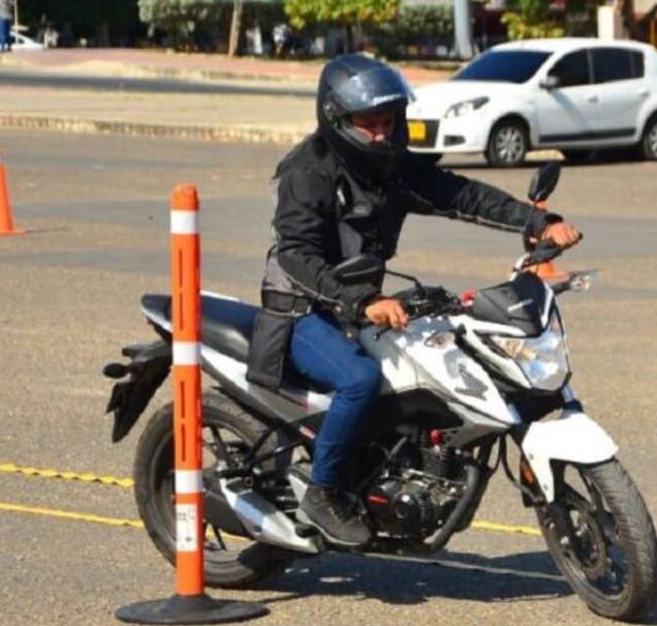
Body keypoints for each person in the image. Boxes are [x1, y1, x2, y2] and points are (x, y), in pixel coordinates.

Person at [248, 54, 581, 547]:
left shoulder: (392, 167)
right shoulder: (309, 172)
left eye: (388, 122)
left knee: (443, 353)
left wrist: (538, 223)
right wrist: (361, 303)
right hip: (301, 310)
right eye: (369, 125)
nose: (382, 134)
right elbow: (297, 256)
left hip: (360, 302)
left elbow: (459, 195)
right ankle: (323, 494)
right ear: (338, 120)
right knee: (360, 380)